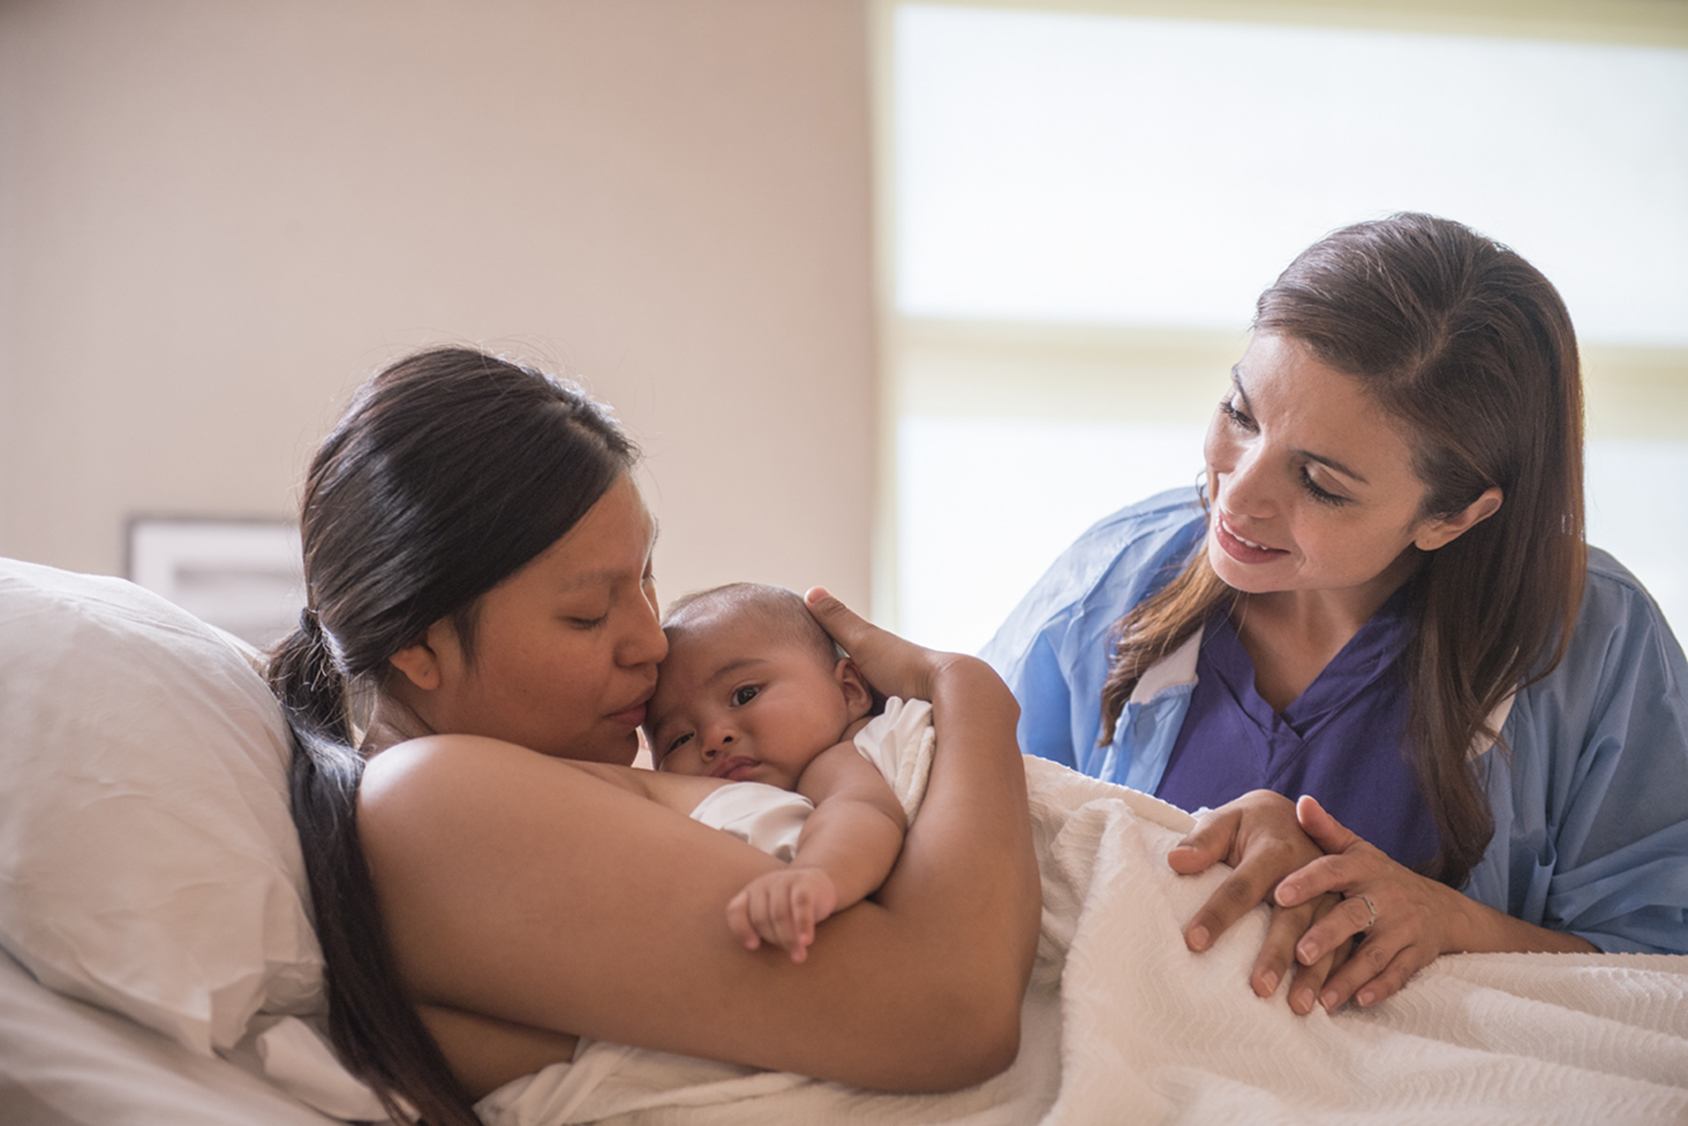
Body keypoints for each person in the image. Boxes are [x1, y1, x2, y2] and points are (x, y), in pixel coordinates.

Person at [267, 349, 1041, 1126]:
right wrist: (966, 690)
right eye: (588, 614)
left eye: (645, 579)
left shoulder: (512, 785)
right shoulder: (430, 800)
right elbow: (950, 1012)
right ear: (417, 646)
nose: (654, 643)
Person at [982, 213, 1688, 1020]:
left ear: (1452, 517)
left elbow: (1662, 972)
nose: (1235, 496)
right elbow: (972, 836)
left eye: (1320, 481)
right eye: (1241, 416)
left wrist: (1457, 922)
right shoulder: (1116, 579)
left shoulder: (1596, 647)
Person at [617, 581, 913, 964]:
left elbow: (865, 811)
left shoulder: (841, 756)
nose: (713, 737)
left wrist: (816, 873)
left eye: (744, 695)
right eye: (679, 739)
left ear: (851, 688)